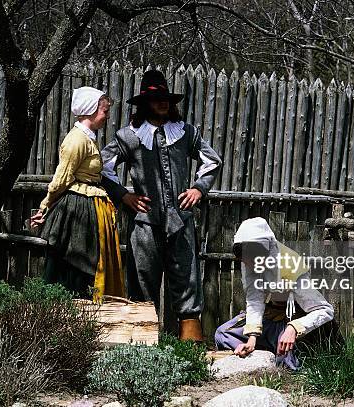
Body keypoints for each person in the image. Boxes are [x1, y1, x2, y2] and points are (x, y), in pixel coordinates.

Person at [100, 70, 222, 341]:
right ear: (144, 102)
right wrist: (123, 195)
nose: (162, 102)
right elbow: (102, 167)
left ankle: (190, 348)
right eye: (156, 98)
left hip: (181, 220)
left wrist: (198, 189)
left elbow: (212, 161)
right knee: (142, 282)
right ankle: (142, 348)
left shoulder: (186, 133)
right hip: (144, 224)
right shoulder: (128, 136)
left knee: (187, 280)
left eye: (165, 98)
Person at [30, 86, 125, 302]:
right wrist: (45, 207)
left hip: (87, 206)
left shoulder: (89, 138)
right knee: (72, 265)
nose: (107, 117)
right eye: (104, 111)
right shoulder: (77, 140)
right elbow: (60, 180)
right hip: (75, 212)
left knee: (85, 268)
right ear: (91, 110)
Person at [215, 217, 342, 369]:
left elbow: (325, 310)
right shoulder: (248, 260)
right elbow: (255, 300)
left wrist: (293, 328)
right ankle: (265, 352)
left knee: (287, 358)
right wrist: (251, 338)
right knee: (223, 333)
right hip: (271, 319)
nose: (245, 263)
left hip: (295, 321)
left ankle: (283, 354)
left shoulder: (290, 265)